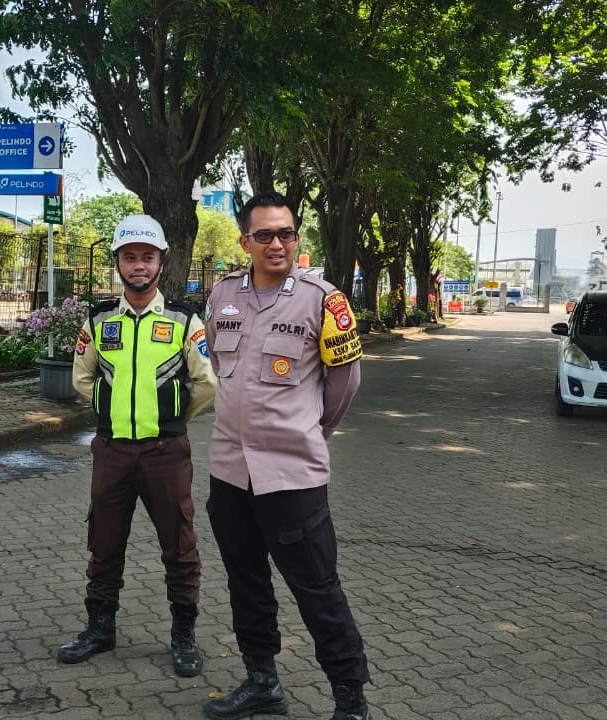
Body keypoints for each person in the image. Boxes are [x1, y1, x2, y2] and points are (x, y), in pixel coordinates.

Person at [202, 192, 372, 720]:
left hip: (292, 476)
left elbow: (344, 384)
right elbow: (218, 365)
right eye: (264, 235)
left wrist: (312, 432)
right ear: (245, 242)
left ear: (297, 239)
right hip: (230, 472)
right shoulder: (222, 295)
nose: (276, 244)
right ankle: (262, 682)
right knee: (246, 583)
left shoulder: (325, 300)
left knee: (317, 590)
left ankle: (350, 699)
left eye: (285, 234)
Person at [61, 213, 218, 677]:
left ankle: (183, 635)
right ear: (118, 263)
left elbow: (206, 383)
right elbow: (82, 377)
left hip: (165, 453)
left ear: (160, 262)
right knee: (104, 542)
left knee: (179, 545)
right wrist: (111, 410)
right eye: (129, 257)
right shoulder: (99, 319)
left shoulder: (184, 319)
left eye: (147, 257)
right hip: (111, 450)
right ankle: (100, 628)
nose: (138, 266)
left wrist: (172, 419)